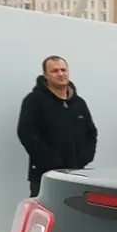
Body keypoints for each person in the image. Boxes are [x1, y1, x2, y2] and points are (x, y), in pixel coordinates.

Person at [16, 56, 98, 197]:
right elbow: (26, 133)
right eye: (55, 71)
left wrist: (84, 158)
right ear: (45, 75)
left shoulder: (79, 103)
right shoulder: (34, 101)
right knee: (45, 210)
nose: (60, 74)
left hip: (77, 175)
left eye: (63, 70)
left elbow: (91, 133)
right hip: (46, 176)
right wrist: (50, 161)